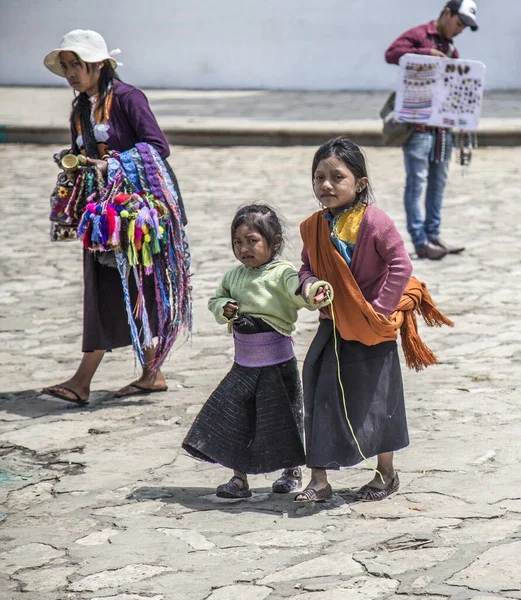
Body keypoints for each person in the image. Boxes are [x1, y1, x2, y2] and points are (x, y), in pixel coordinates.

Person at [295, 137, 453, 503]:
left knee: (379, 399)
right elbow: (306, 267)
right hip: (332, 324)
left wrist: (379, 309)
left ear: (360, 183)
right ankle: (318, 480)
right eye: (319, 177)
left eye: (338, 177)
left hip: (372, 326)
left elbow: (401, 265)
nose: (327, 186)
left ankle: (386, 473)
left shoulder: (375, 221)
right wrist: (310, 285)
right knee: (320, 392)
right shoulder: (314, 227)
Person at [41, 30, 190, 404]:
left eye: (78, 65)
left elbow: (158, 147)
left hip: (140, 216)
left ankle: (88, 380)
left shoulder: (127, 99)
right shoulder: (80, 110)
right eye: (67, 66)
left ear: (100, 65)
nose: (71, 73)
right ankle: (144, 373)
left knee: (141, 286)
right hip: (103, 216)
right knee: (106, 287)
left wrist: (111, 165)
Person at [182, 205, 332, 499]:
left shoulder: (282, 273)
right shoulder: (233, 276)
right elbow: (217, 300)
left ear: (273, 242)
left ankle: (290, 471)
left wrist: (315, 293)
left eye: (252, 241)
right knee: (238, 418)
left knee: (282, 419)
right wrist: (222, 309)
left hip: (277, 366)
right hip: (244, 365)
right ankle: (239, 479)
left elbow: (300, 292)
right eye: (238, 242)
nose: (244, 248)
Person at [385, 0, 479, 260]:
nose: (459, 30)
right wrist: (427, 55)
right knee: (417, 182)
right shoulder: (419, 35)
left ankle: (433, 235)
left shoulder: (451, 49)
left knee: (438, 182)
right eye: (459, 23)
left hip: (443, 129)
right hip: (417, 126)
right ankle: (420, 241)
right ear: (447, 14)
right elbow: (392, 53)